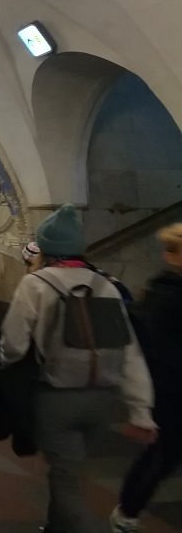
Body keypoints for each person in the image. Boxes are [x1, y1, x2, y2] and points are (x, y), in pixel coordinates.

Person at [0, 205, 155, 533]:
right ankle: (57, 527)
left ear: (46, 247)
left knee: (65, 478)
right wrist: (141, 410)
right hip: (103, 400)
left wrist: (9, 367)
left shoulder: (36, 284)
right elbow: (130, 354)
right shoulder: (107, 286)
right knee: (70, 470)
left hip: (57, 398)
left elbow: (13, 345)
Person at [113, 223, 182, 532]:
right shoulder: (169, 296)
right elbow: (161, 351)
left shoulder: (159, 290)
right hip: (172, 391)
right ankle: (126, 513)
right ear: (173, 256)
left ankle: (127, 511)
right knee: (163, 455)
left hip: (166, 389)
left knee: (163, 455)